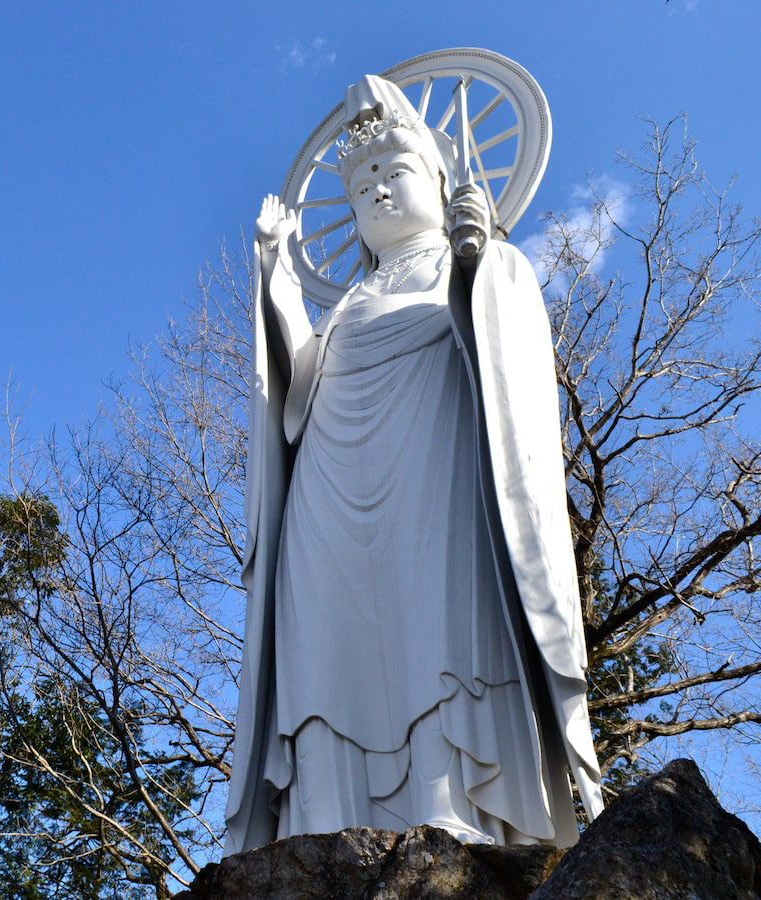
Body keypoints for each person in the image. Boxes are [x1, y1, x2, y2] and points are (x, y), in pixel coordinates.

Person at [225, 75, 604, 853]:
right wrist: (276, 277)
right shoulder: (348, 307)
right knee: (328, 659)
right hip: (326, 504)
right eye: (361, 185)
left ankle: (457, 814)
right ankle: (329, 824)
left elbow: (504, 367)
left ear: (437, 179)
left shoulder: (470, 264)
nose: (376, 192)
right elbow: (294, 392)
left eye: (393, 173)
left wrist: (476, 262)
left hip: (434, 476)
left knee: (440, 634)